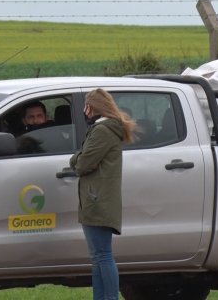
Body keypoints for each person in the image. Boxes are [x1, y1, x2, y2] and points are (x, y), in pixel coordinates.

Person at [69, 88, 137, 300]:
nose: (84, 111)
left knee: (102, 255)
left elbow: (81, 164)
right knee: (98, 257)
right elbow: (85, 161)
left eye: (85, 107)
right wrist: (80, 159)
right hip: (96, 199)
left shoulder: (102, 131)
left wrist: (76, 159)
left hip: (97, 200)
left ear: (91, 107)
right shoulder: (106, 129)